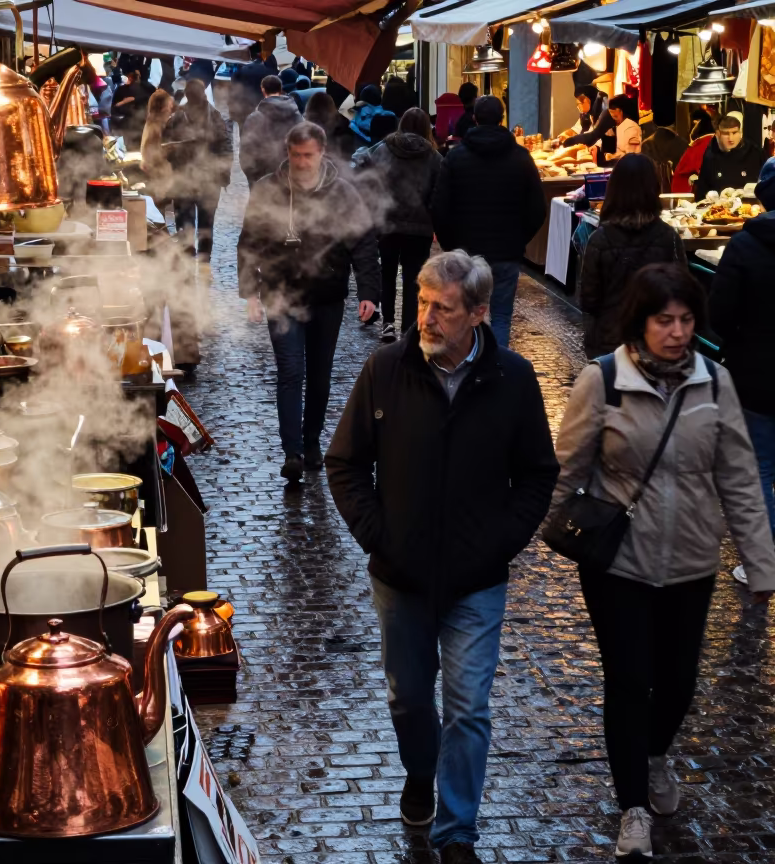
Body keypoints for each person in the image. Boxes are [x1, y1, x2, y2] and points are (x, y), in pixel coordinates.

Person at [326, 249, 558, 864]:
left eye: (442, 309)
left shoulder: (513, 380)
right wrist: (380, 535)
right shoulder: (385, 369)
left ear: (479, 314)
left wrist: (498, 542)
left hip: (476, 581)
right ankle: (419, 771)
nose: (426, 318)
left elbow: (538, 475)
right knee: (407, 696)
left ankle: (457, 833)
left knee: (469, 707)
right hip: (399, 576)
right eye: (423, 304)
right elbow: (345, 462)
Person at [551, 263, 774, 859]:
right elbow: (566, 471)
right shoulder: (603, 381)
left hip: (692, 561)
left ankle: (653, 756)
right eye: (663, 320)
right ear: (640, 322)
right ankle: (632, 810)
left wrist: (762, 563)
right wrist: (528, 535)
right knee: (629, 680)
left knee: (678, 683)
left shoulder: (716, 383)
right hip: (619, 563)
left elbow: (740, 478)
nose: (676, 332)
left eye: (685, 320)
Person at [238, 122, 380, 482]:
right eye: (296, 155)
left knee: (319, 376)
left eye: (309, 155)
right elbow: (249, 242)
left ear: (321, 153)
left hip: (327, 294)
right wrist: (250, 294)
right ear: (287, 153)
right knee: (290, 372)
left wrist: (368, 292)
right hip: (281, 293)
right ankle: (293, 453)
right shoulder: (267, 189)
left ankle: (312, 441)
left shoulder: (342, 193)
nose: (302, 162)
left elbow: (362, 241)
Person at [431, 95, 545, 349]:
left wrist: (452, 246)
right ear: (502, 118)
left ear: (474, 118)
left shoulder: (456, 157)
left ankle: (468, 368)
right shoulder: (520, 157)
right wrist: (518, 239)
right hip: (506, 251)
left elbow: (439, 208)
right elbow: (538, 208)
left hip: (467, 253)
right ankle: (497, 372)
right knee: (502, 317)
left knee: (466, 315)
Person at [710, 158, 775, 585]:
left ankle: (763, 563)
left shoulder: (745, 246)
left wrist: (737, 343)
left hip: (756, 376)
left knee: (760, 471)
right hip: (756, 371)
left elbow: (719, 313)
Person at [579, 154, 684, 358]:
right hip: (658, 344)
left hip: (611, 346)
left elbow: (588, 300)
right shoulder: (668, 238)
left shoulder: (599, 240)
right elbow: (682, 293)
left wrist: (592, 346)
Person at [352, 107, 442, 341]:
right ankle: (409, 328)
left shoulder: (384, 149)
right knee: (414, 278)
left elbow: (367, 176)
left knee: (387, 273)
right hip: (420, 227)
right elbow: (438, 193)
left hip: (387, 222)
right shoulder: (433, 156)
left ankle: (388, 323)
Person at [164, 79, 232, 259]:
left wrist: (173, 159)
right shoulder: (215, 115)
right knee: (206, 219)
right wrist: (224, 173)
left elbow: (167, 146)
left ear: (186, 95)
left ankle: (188, 250)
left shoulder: (178, 116)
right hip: (208, 177)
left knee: (185, 216)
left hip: (185, 175)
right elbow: (225, 146)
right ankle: (204, 254)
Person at [239, 75, 302, 187]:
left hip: (263, 179)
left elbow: (246, 152)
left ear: (263, 90)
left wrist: (253, 179)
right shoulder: (298, 117)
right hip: (292, 178)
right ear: (280, 89)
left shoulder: (254, 118)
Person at [693, 114, 767, 201]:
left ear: (740, 133)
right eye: (726, 134)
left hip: (752, 209)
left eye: (734, 133)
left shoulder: (755, 153)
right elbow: (701, 192)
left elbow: (768, 185)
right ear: (718, 134)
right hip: (718, 210)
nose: (731, 138)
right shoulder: (710, 156)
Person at [139, 90, 176, 211]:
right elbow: (150, 151)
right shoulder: (155, 126)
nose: (171, 108)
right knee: (159, 207)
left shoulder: (156, 123)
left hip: (159, 172)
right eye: (169, 105)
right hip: (158, 173)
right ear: (163, 107)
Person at [229, 43, 278, 129]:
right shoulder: (270, 71)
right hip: (263, 110)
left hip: (243, 108)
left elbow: (233, 88)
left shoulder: (244, 70)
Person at [304, 91, 355, 164]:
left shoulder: (344, 135)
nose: (318, 127)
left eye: (321, 121)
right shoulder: (344, 128)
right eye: (314, 120)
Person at [111, 68, 157, 144]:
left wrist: (133, 99)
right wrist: (123, 102)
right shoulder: (121, 89)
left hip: (142, 120)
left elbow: (152, 96)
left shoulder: (146, 87)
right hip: (127, 122)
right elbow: (115, 107)